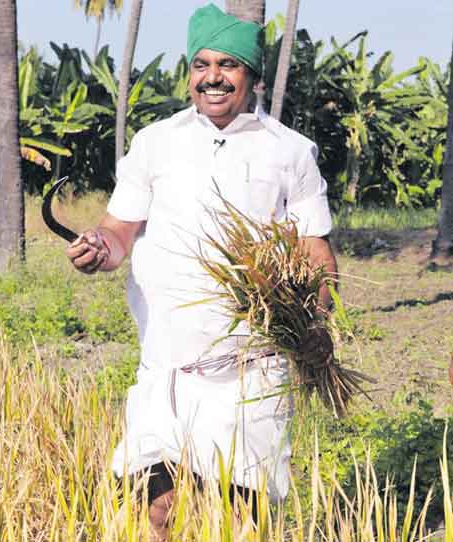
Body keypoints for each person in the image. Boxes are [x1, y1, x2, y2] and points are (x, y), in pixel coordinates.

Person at [65, 4, 337, 539]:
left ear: (253, 77)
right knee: (157, 505)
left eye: (228, 65)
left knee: (242, 514)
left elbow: (315, 254)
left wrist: (316, 323)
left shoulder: (291, 153)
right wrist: (100, 247)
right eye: (201, 64)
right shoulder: (154, 143)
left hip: (250, 367)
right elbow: (120, 231)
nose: (212, 77)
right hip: (167, 363)